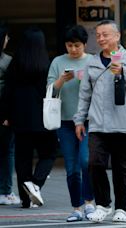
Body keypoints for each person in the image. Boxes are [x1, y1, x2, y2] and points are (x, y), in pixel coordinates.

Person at [73, 20, 126, 223]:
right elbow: (84, 94)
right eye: (98, 35)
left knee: (121, 168)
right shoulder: (92, 63)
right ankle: (103, 205)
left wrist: (123, 72)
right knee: (94, 164)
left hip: (123, 124)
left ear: (117, 36)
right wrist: (79, 120)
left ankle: (121, 208)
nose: (101, 39)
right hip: (97, 124)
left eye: (105, 34)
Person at [0, 27, 57, 208]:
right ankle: (35, 184)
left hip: (19, 119)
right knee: (48, 154)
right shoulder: (45, 66)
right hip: (42, 119)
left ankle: (26, 199)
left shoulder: (14, 66)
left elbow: (7, 93)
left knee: (22, 158)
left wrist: (6, 115)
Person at [47, 25, 94, 222]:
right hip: (65, 122)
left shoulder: (92, 61)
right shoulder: (58, 62)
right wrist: (61, 80)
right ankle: (77, 207)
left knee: (86, 161)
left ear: (84, 44)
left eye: (77, 45)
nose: (73, 49)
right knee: (72, 167)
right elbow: (49, 91)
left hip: (89, 121)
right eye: (69, 45)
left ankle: (90, 203)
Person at [0, 24, 20, 206]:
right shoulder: (7, 61)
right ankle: (5, 192)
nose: (8, 40)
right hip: (4, 114)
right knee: (7, 152)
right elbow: (10, 90)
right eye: (6, 37)